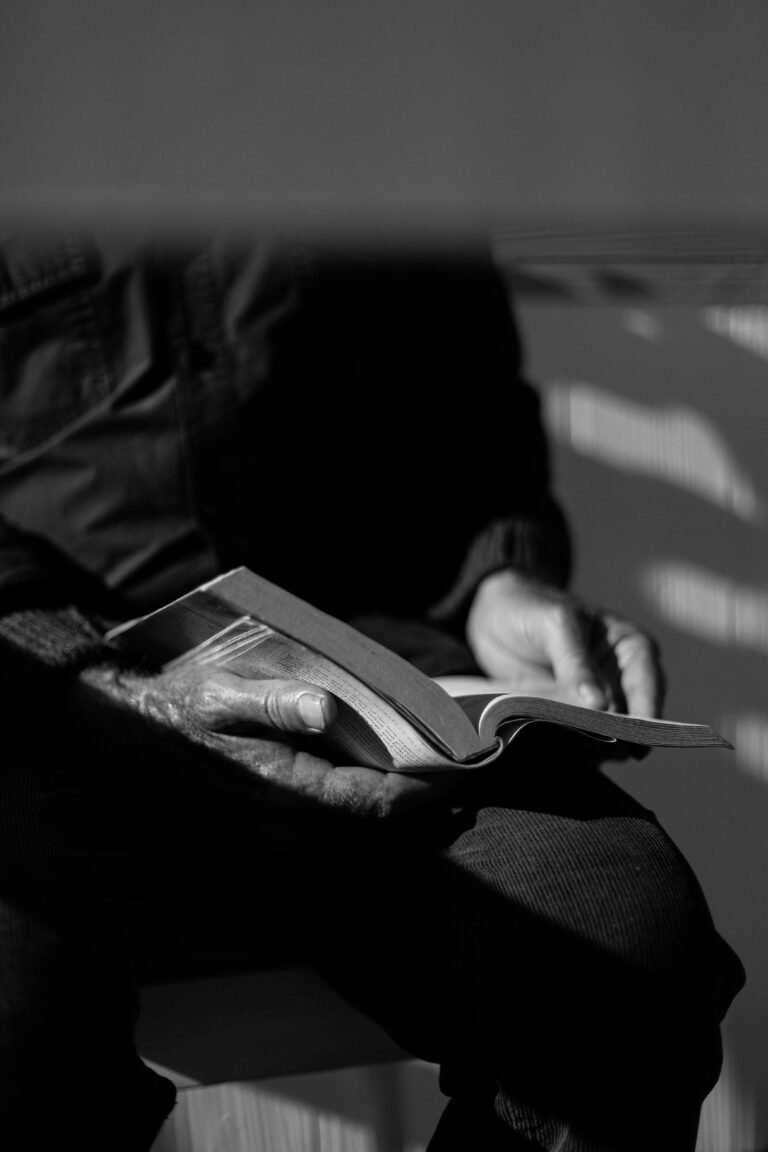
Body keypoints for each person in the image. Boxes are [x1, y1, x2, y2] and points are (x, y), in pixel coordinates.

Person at [0, 231, 744, 1151]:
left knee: (629, 964)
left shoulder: (383, 122)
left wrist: (495, 579)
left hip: (372, 690)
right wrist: (84, 681)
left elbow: (472, 406)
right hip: (50, 697)